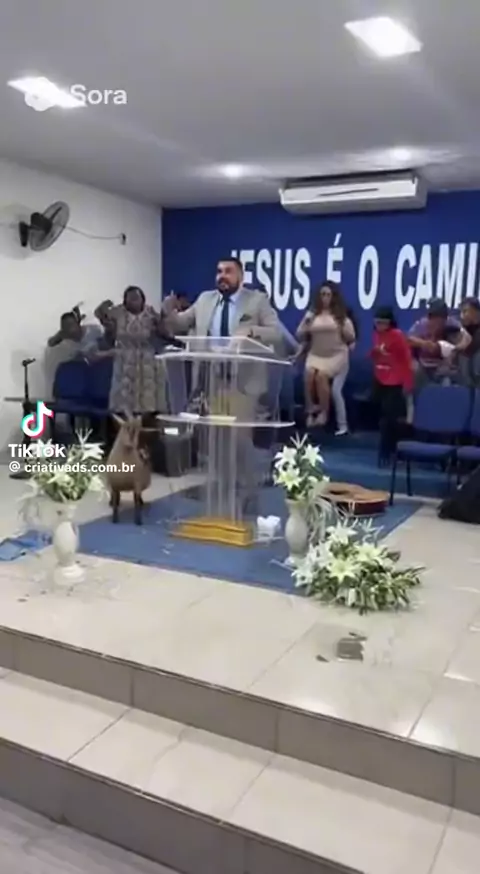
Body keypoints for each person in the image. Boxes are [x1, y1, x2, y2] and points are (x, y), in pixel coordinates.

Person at [106, 286, 176, 417]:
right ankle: (124, 426)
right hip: (124, 360)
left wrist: (164, 317)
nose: (134, 301)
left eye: (136, 298)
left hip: (146, 361)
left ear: (142, 299)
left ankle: (147, 424)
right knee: (123, 400)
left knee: (147, 401)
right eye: (130, 298)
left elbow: (166, 333)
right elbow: (101, 316)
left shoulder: (151, 313)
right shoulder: (118, 313)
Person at [296, 280, 355, 429]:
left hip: (335, 355)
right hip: (316, 354)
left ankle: (324, 412)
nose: (325, 298)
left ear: (333, 297)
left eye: (328, 295)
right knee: (309, 374)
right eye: (322, 294)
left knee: (321, 376)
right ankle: (310, 411)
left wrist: (346, 334)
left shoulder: (340, 317)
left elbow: (351, 337)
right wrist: (307, 323)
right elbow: (300, 334)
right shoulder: (311, 315)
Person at [370, 306, 413, 464]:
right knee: (381, 415)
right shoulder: (376, 335)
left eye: (382, 323)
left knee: (390, 418)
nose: (379, 326)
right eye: (377, 323)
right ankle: (386, 451)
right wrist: (375, 353)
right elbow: (375, 355)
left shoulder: (398, 335)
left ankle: (390, 451)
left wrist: (408, 382)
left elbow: (406, 359)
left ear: (389, 323)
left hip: (395, 379)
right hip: (380, 378)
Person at [408, 299, 470, 389]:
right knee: (413, 371)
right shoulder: (421, 325)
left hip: (444, 366)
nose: (433, 321)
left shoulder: (452, 324)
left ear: (444, 317)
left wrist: (455, 350)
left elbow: (467, 337)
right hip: (423, 366)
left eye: (438, 317)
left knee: (452, 374)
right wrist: (425, 344)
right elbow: (408, 340)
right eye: (431, 317)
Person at [456, 298, 480, 387]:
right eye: (461, 312)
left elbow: (472, 346)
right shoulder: (463, 327)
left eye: (465, 311)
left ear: (476, 312)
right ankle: (467, 388)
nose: (462, 316)